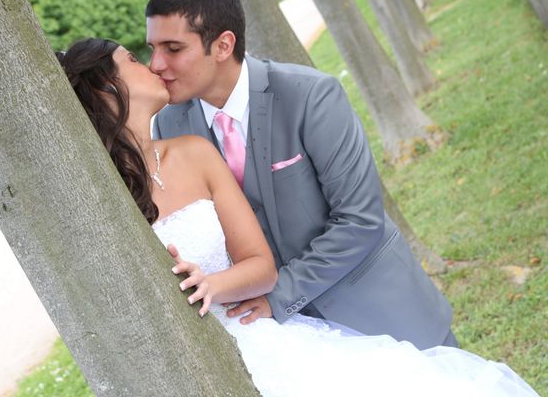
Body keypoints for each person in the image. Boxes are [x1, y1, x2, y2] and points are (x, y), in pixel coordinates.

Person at [57, 37, 538, 396]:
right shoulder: (98, 197)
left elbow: (259, 264)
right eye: (136, 60)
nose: (155, 66)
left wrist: (212, 285)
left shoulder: (193, 152)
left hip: (259, 332)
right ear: (105, 87)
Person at [147, 0, 453, 350]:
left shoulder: (311, 96)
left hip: (379, 311)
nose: (156, 64)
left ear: (224, 44)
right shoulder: (169, 123)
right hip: (287, 343)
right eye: (152, 49)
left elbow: (360, 219)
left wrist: (279, 296)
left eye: (173, 48)